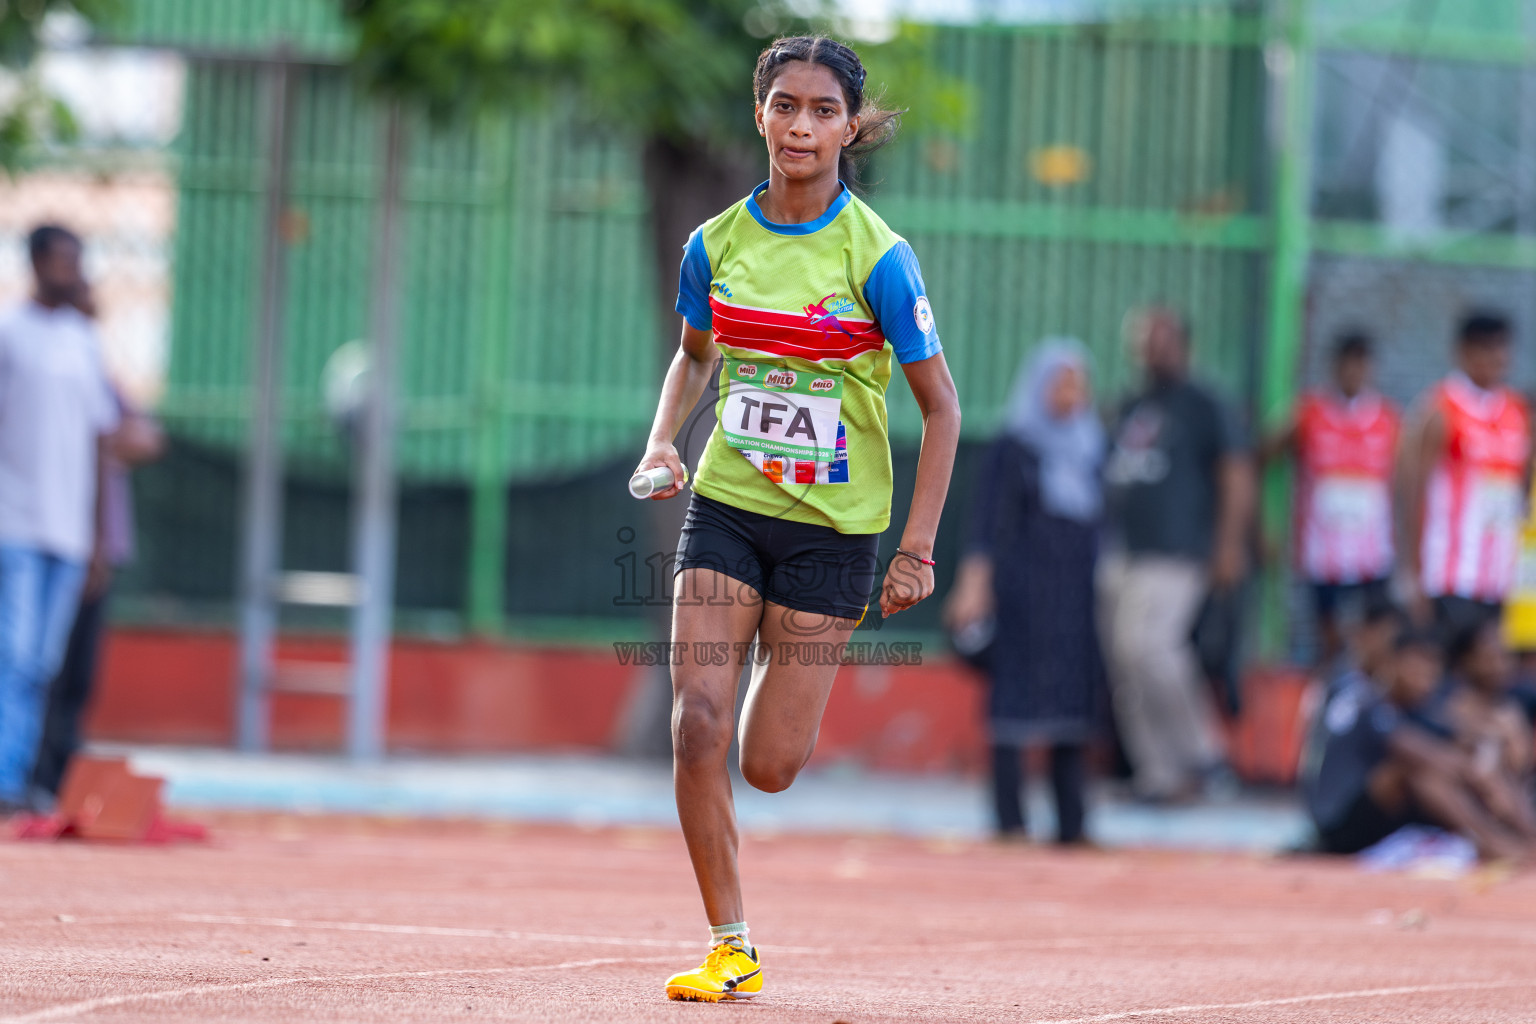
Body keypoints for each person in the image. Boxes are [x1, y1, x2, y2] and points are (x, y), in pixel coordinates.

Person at [631, 36, 960, 1002]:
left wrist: (916, 549)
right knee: (695, 723)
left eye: (822, 110)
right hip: (729, 503)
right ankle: (732, 945)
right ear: (760, 115)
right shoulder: (714, 244)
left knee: (767, 764)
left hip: (838, 530)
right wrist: (663, 442)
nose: (801, 126)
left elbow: (942, 408)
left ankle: (796, 645)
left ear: (850, 126)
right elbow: (695, 358)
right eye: (785, 106)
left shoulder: (880, 259)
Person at [943, 340, 1105, 844]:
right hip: (1020, 593)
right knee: (1012, 703)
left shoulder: (1095, 445)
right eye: (1061, 382)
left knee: (1071, 706)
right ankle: (1009, 821)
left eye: (1078, 383)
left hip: (1076, 597)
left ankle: (1071, 826)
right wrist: (975, 585)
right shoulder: (1012, 447)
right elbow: (986, 523)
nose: (1071, 394)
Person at [1098, 307, 1254, 803]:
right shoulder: (1131, 404)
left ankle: (1203, 755)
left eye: (1163, 339)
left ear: (1183, 344)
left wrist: (1229, 546)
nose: (1152, 348)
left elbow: (1236, 473)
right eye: (1145, 339)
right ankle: (1157, 772)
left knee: (1155, 650)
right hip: (1125, 549)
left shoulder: (1205, 403)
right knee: (1124, 661)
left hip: (1179, 550)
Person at [0, 225, 120, 813]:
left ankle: (22, 779)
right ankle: (6, 780)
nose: (71, 270)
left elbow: (100, 442)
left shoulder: (84, 341)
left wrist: (99, 533)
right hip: (13, 521)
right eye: (61, 259)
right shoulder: (9, 333)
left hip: (68, 530)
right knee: (13, 656)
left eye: (77, 259)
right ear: (36, 263)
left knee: (44, 665)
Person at [30, 358, 164, 800]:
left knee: (78, 671)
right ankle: (35, 769)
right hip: (50, 540)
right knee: (42, 664)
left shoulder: (96, 377)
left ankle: (61, 770)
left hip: (94, 545)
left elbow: (145, 437)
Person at [1306, 622, 1531, 861]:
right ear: (1393, 663)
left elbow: (1463, 743)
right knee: (1412, 772)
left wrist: (1488, 761)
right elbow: (1420, 752)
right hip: (1336, 822)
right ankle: (1490, 843)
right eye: (1416, 670)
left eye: (1431, 673)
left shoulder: (1421, 708)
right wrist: (1480, 774)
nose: (1425, 680)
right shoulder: (1367, 701)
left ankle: (1528, 837)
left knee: (1471, 763)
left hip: (1380, 820)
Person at [1264, 332, 1400, 669]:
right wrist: (1267, 523)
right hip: (1323, 550)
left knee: (1377, 634)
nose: (1354, 372)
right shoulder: (1308, 413)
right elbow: (1261, 457)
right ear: (1335, 367)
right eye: (1348, 364)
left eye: (1362, 365)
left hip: (1373, 550)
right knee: (1329, 636)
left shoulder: (1388, 419)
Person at [1399, 312, 1530, 637]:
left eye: (1502, 348)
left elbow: (1523, 487)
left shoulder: (1517, 411)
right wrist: (1409, 573)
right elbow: (1410, 491)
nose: (1496, 357)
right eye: (1486, 348)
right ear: (1464, 351)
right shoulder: (1441, 407)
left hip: (1499, 576)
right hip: (1449, 573)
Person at [1433, 621, 1536, 839]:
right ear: (1465, 662)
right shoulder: (1450, 710)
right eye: (1488, 658)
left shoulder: (1513, 707)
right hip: (1480, 814)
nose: (1499, 666)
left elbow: (1523, 765)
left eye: (1503, 657)